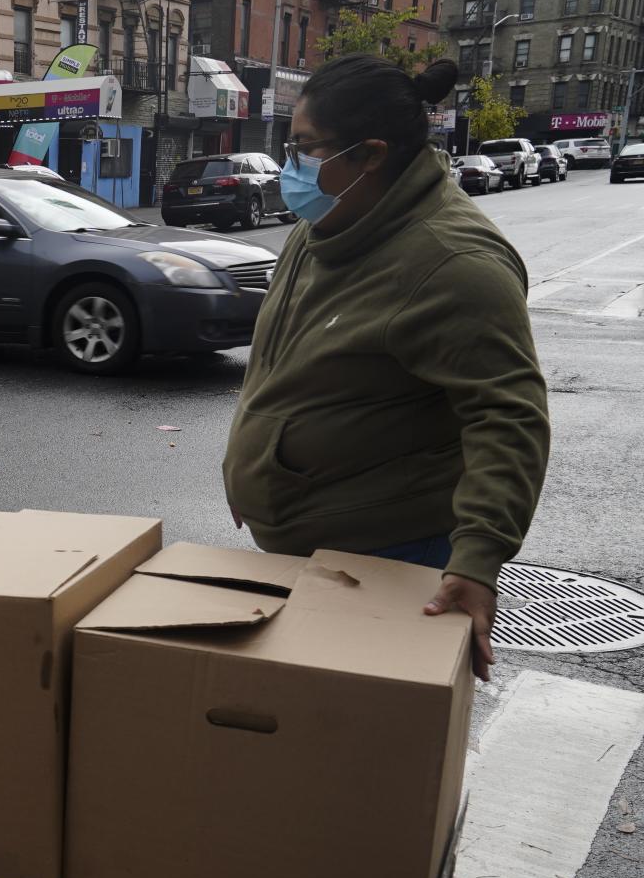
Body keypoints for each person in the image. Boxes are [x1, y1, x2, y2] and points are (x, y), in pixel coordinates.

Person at [223, 55, 549, 681]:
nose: (292, 168)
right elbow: (286, 366)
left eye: (306, 149)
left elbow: (509, 417)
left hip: (389, 554)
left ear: (370, 155)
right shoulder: (326, 222)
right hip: (302, 541)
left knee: (361, 749)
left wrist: (477, 560)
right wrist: (257, 470)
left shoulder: (452, 264)